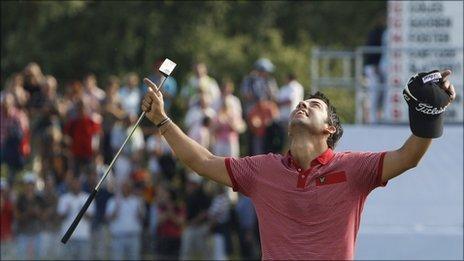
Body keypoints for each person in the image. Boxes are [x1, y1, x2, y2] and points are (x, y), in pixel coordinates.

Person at [141, 69, 456, 260]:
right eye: (301, 102)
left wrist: (431, 113)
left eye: (314, 105)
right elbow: (202, 161)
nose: (303, 103)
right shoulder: (262, 170)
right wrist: (162, 121)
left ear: (328, 129)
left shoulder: (354, 168)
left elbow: (409, 156)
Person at [57, 175, 94, 260]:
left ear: (80, 185)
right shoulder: (64, 198)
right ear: (70, 185)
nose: (76, 186)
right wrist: (67, 211)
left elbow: (91, 217)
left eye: (78, 184)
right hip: (68, 238)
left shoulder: (87, 197)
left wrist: (83, 211)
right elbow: (59, 217)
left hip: (83, 237)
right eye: (74, 184)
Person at [105, 180, 144, 260]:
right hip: (118, 237)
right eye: (124, 187)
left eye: (127, 187)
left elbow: (142, 217)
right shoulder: (113, 201)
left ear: (131, 188)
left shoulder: (137, 201)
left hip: (133, 237)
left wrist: (140, 209)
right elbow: (107, 218)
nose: (125, 189)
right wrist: (117, 208)